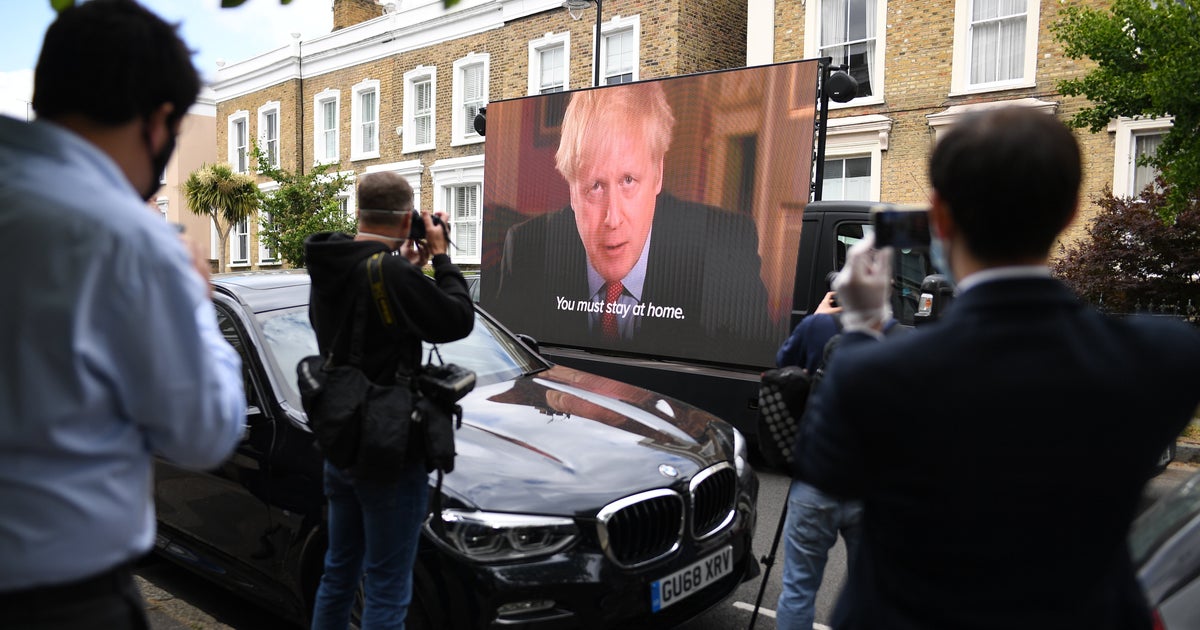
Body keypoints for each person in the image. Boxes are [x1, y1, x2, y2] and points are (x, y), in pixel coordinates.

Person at [793, 106, 1200, 629]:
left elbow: (822, 470)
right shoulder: (1161, 356)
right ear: (1072, 211)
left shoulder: (870, 374)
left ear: (939, 219)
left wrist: (865, 328)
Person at [0, 1, 246, 628]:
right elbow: (203, 432)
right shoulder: (127, 240)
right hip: (58, 599)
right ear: (160, 121)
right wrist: (196, 300)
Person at [491, 81, 780, 366]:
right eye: (594, 186)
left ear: (657, 174)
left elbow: (757, 375)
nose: (612, 218)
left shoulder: (725, 248)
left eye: (628, 180)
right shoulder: (529, 248)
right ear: (570, 188)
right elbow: (508, 369)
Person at [304, 171, 474, 629]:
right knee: (386, 585)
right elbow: (456, 319)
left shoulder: (333, 264)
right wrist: (440, 258)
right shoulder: (389, 272)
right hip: (387, 446)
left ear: (359, 213)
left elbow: (364, 324)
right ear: (406, 221)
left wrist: (406, 269)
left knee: (339, 571)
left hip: (341, 440)